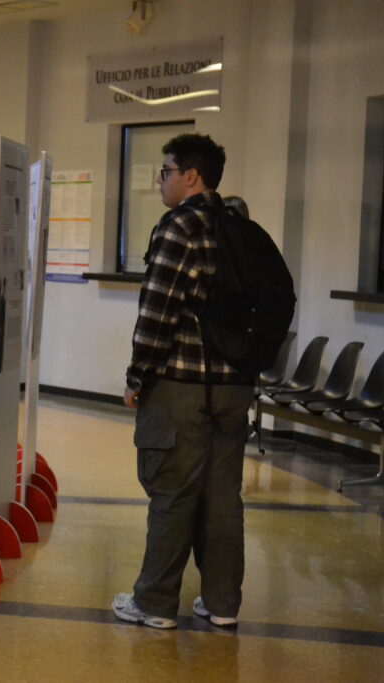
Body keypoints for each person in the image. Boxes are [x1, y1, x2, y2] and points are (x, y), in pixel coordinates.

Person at [113, 133, 254, 630]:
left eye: (166, 171)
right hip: (235, 387)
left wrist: (137, 375)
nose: (161, 181)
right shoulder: (239, 227)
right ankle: (222, 604)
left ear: (190, 176)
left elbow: (158, 311)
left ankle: (154, 604)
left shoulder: (180, 227)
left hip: (181, 386)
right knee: (222, 498)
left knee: (172, 493)